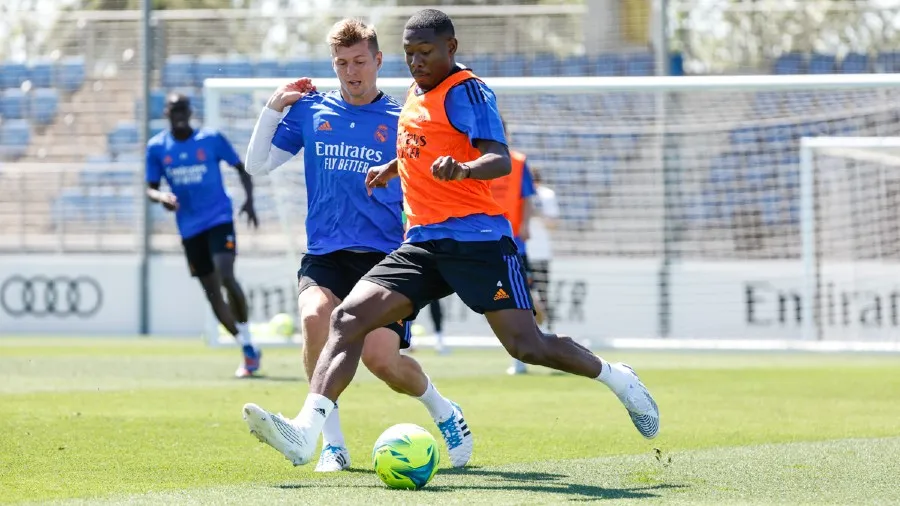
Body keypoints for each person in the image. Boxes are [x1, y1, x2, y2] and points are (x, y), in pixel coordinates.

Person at [241, 8, 659, 469]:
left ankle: (618, 378)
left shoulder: (469, 91)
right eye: (411, 54)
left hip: (476, 240)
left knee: (526, 346)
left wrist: (462, 169)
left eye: (426, 52)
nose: (417, 61)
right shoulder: (414, 96)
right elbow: (420, 149)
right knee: (344, 319)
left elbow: (498, 159)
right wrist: (392, 167)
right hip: (421, 243)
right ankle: (308, 434)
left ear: (450, 49)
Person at [243, 18, 471, 471]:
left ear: (379, 61)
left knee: (382, 362)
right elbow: (256, 165)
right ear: (333, 65)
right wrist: (273, 107)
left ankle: (444, 411)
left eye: (360, 61)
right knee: (313, 317)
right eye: (342, 62)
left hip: (385, 258)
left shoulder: (404, 117)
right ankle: (331, 444)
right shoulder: (311, 111)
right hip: (325, 253)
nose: (352, 70)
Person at [146, 93, 261, 378]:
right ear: (167, 113)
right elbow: (149, 187)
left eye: (184, 109)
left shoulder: (210, 139)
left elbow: (240, 168)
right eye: (174, 110)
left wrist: (249, 201)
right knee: (211, 293)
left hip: (219, 218)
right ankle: (246, 345)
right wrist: (161, 196)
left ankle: (246, 335)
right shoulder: (157, 147)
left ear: (191, 111)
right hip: (189, 227)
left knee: (225, 275)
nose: (180, 114)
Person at [488, 119, 545, 375]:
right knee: (503, 305)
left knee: (530, 302)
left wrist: (526, 224)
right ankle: (524, 353)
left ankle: (541, 339)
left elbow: (527, 197)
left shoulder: (518, 162)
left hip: (514, 244)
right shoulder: (471, 161)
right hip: (484, 242)